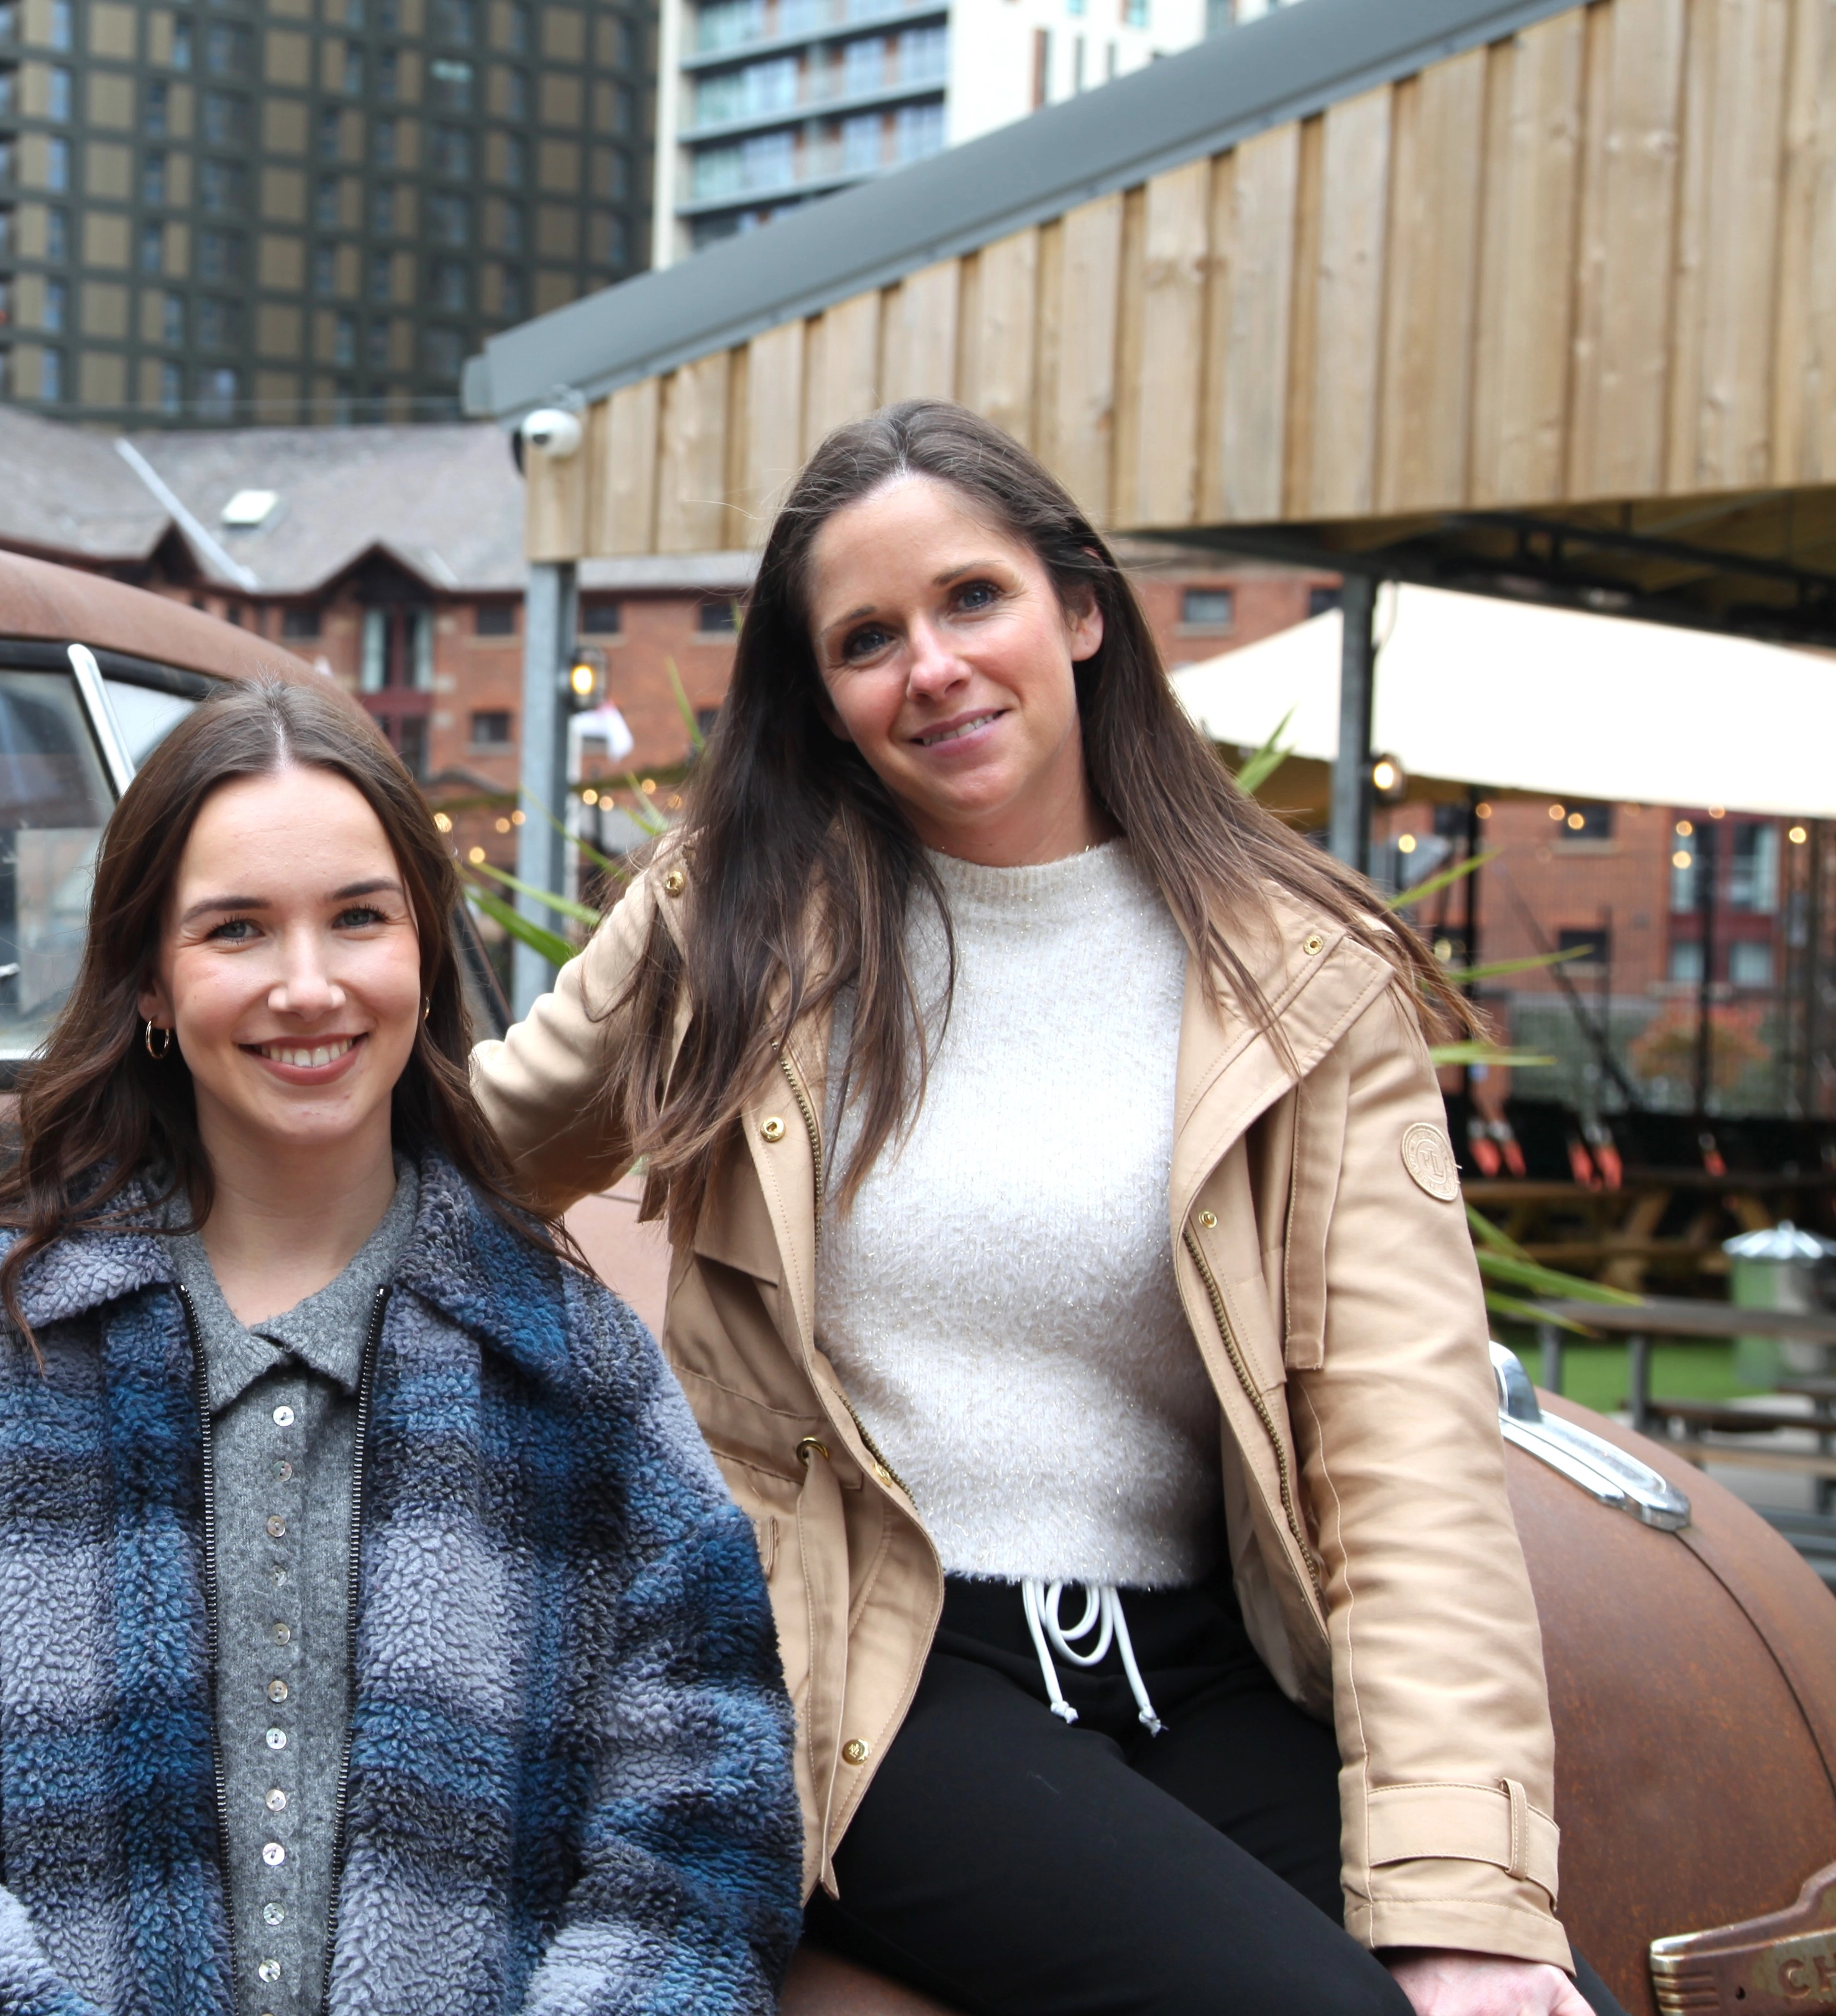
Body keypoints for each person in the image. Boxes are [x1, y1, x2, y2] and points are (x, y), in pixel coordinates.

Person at [470, 400, 1616, 2016]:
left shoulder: (1300, 979)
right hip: (876, 1667)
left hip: (1199, 1667)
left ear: (1078, 607)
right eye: (867, 638)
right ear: (828, 697)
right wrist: (173, 1089)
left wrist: (1465, 1901)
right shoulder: (735, 914)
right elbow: (471, 1145)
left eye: (971, 600)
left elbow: (1405, 1451)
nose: (929, 664)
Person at [0, 678, 800, 2016]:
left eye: (358, 916)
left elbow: (705, 1848)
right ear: (151, 987)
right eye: (237, 928)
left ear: (423, 953)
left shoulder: (581, 1378)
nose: (309, 985)